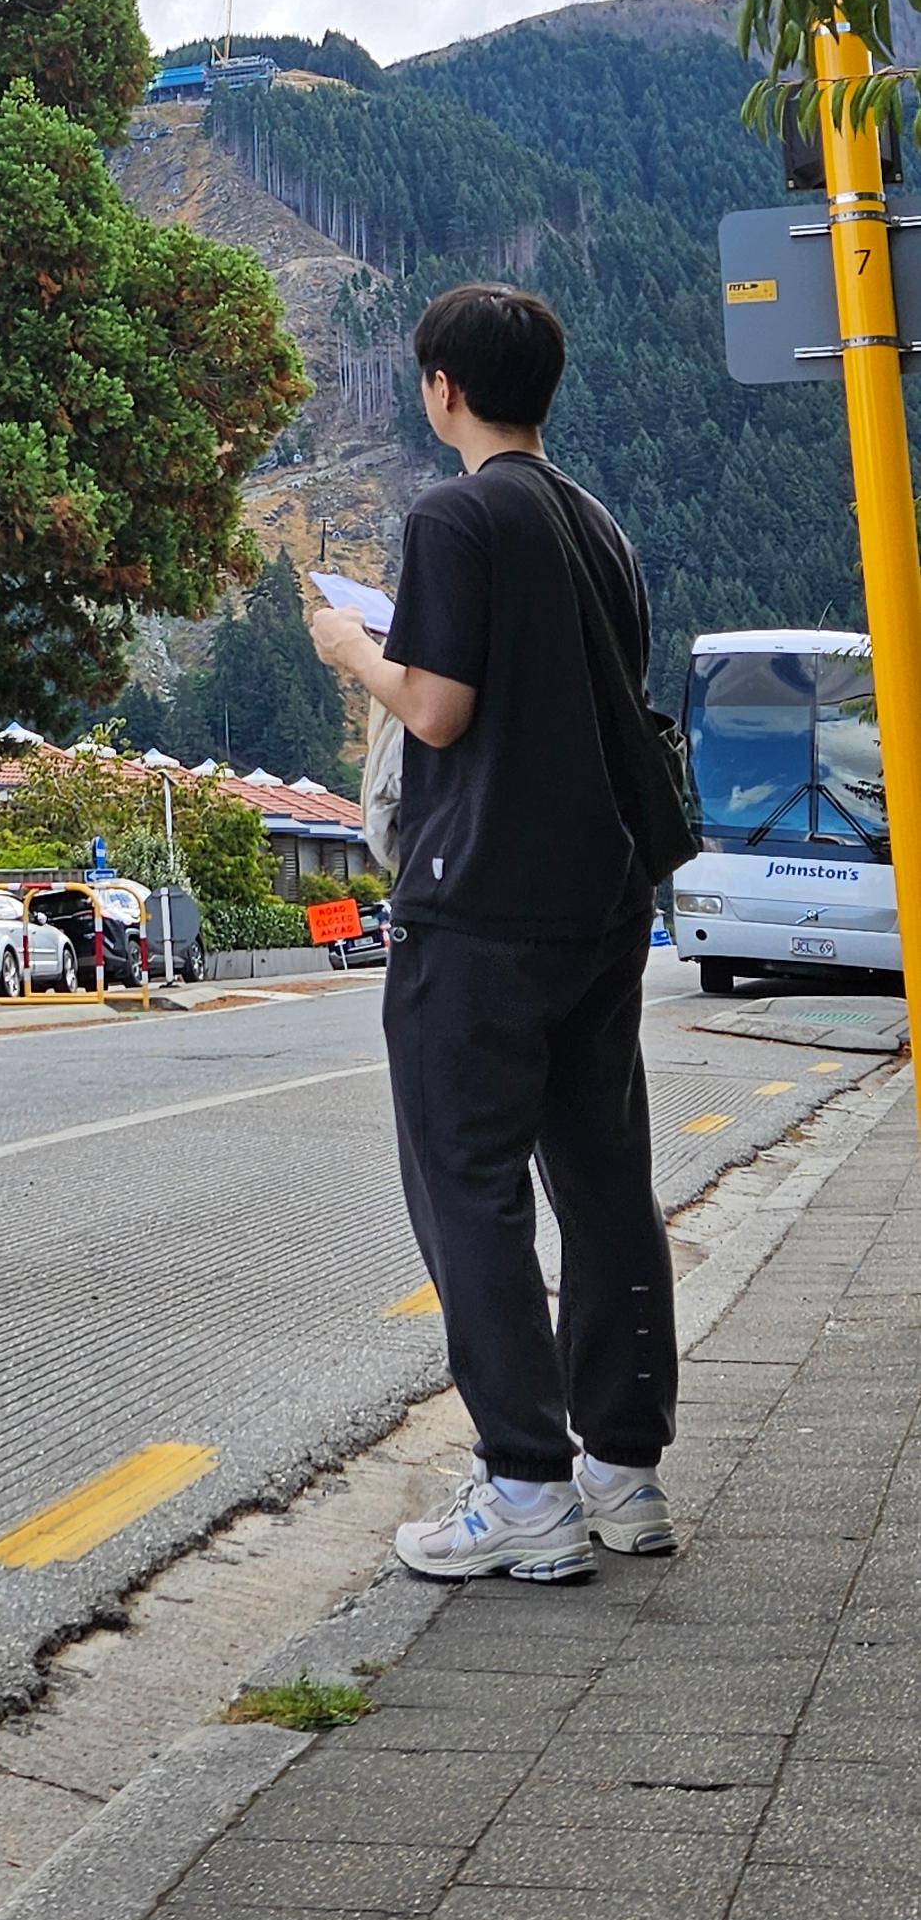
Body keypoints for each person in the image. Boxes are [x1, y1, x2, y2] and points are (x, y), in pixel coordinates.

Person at [310, 281, 678, 1584]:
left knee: (468, 1185)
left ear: (442, 389)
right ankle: (623, 1472)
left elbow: (440, 709)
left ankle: (524, 1487)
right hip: (601, 899)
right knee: (603, 1179)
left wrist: (353, 648)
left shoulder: (454, 515)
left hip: (477, 901)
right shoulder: (595, 523)